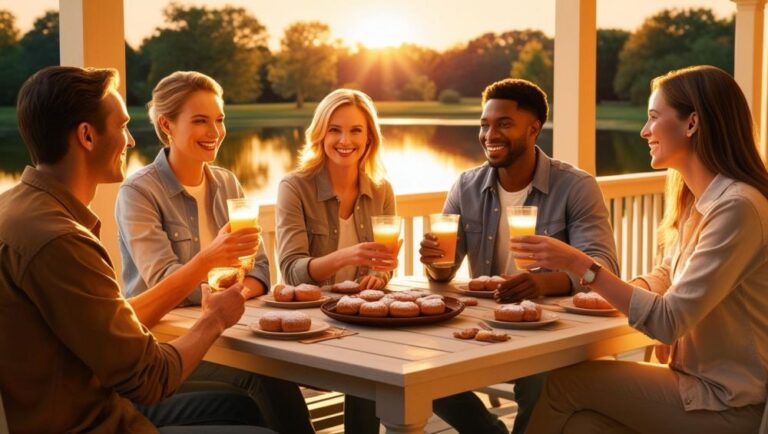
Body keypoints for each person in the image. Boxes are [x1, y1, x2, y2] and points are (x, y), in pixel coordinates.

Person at [0, 66, 273, 433]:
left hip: (87, 399)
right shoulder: (61, 240)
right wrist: (215, 319)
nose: (130, 141)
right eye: (123, 126)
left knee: (242, 406)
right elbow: (151, 378)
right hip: (100, 422)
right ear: (87, 136)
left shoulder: (15, 210)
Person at [519, 65, 768, 433]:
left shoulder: (738, 207)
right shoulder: (697, 199)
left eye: (653, 117)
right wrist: (625, 289)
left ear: (692, 123)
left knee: (564, 383)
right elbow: (667, 274)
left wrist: (581, 266)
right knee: (582, 425)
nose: (644, 131)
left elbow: (668, 321)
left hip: (726, 402)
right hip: (693, 384)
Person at [116, 71, 315, 434]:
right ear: (167, 124)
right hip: (166, 345)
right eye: (200, 121)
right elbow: (166, 283)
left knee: (272, 375)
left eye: (219, 119)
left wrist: (228, 289)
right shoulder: (139, 193)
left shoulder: (227, 183)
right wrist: (220, 274)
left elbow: (261, 271)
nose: (215, 131)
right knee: (266, 378)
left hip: (226, 332)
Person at [418, 78, 619, 434]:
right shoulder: (466, 186)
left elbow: (603, 266)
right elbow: (443, 274)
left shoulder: (575, 186)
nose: (489, 134)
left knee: (540, 383)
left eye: (503, 124)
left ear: (534, 129)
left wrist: (540, 283)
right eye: (484, 124)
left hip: (555, 329)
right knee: (421, 369)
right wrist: (435, 260)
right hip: (488, 322)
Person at [275, 88, 399, 433]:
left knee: (380, 359)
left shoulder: (382, 188)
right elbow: (292, 269)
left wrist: (378, 275)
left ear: (369, 136)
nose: (345, 140)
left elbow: (384, 263)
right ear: (320, 134)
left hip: (360, 317)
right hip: (313, 317)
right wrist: (347, 256)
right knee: (372, 359)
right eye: (335, 129)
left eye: (356, 130)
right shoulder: (294, 187)